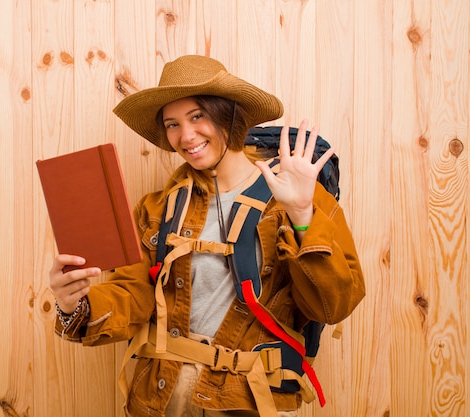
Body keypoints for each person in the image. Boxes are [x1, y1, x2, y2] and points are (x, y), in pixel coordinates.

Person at [50, 55, 365, 417]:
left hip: (245, 401)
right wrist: (74, 303)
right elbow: (132, 295)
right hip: (161, 398)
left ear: (229, 114)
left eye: (198, 116)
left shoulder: (298, 197)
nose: (185, 136)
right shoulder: (159, 209)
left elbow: (333, 306)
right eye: (172, 124)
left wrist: (301, 215)